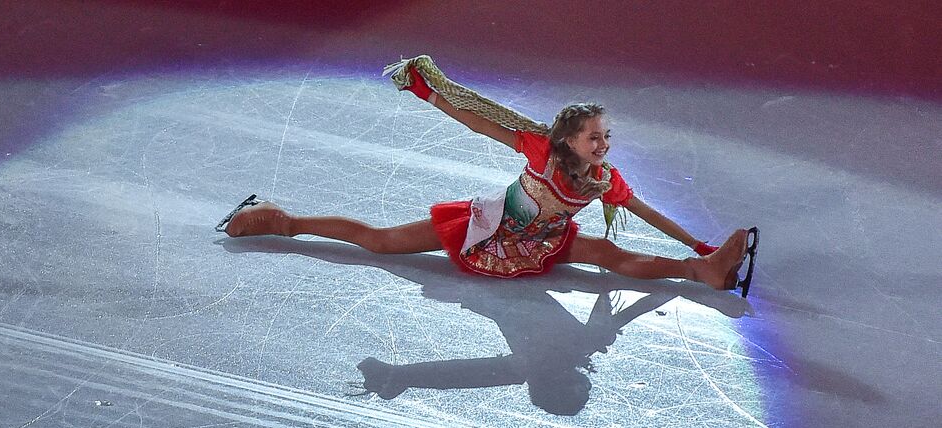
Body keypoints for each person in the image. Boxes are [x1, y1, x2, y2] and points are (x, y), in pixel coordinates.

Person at [220, 59, 755, 293]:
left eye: (606, 137)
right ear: (569, 138)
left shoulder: (600, 180)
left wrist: (701, 244)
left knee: (611, 257)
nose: (604, 145)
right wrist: (429, 93)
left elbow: (647, 214)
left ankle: (700, 270)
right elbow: (478, 120)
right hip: (488, 229)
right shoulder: (539, 149)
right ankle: (281, 220)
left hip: (541, 241)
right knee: (382, 242)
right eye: (595, 137)